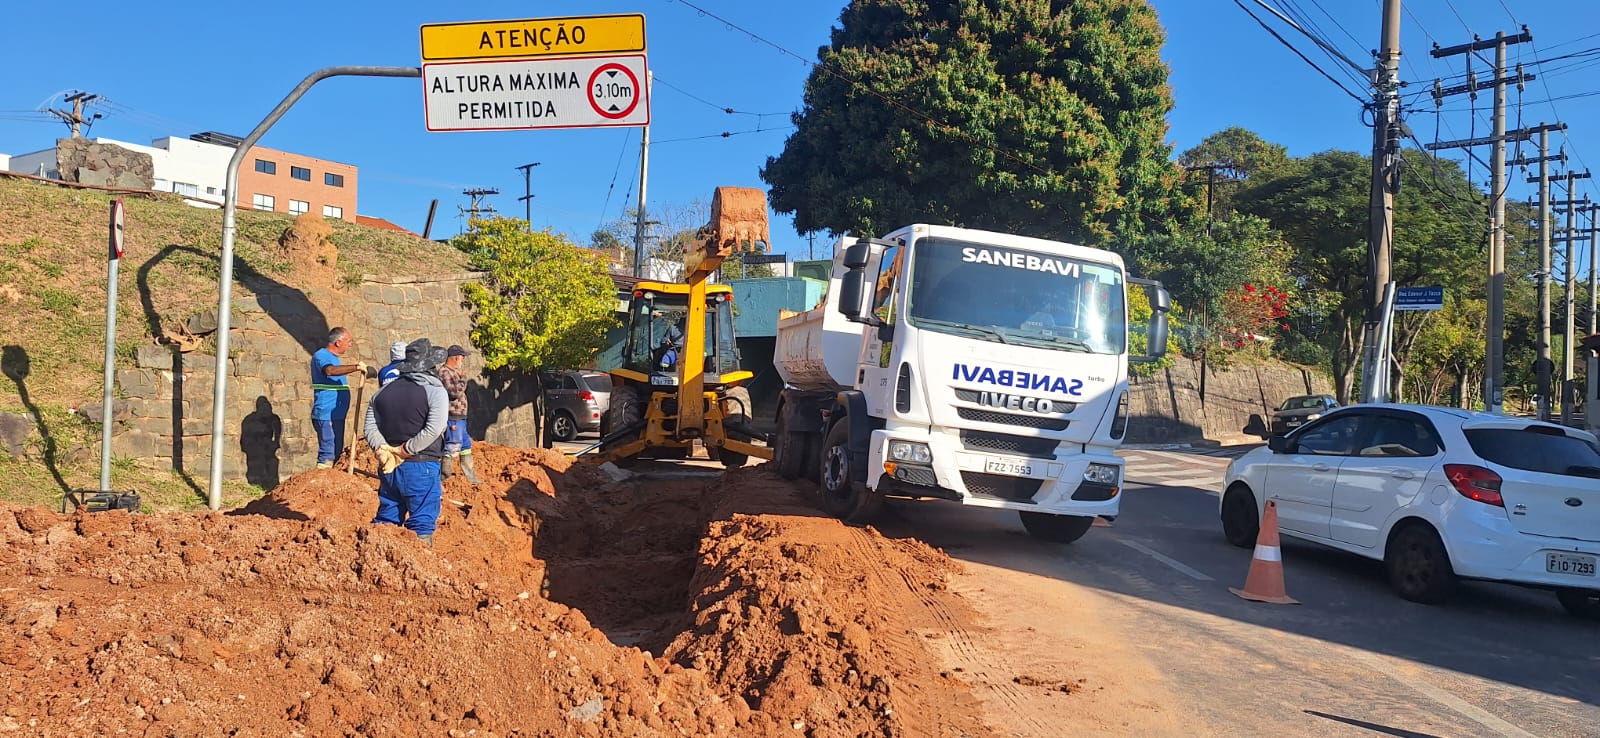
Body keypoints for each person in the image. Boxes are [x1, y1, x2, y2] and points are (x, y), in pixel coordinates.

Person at [364, 338, 449, 545]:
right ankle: (419, 572)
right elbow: (434, 429)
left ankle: (379, 565)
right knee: (422, 525)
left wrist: (383, 450)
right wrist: (405, 450)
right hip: (421, 465)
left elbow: (369, 426)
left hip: (389, 467)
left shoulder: (382, 393)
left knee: (386, 522)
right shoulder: (435, 391)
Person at [310, 327, 367, 469]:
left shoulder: (335, 359)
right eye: (348, 341)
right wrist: (356, 367)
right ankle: (320, 483)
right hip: (326, 413)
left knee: (336, 452)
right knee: (327, 453)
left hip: (337, 415)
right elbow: (330, 371)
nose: (350, 344)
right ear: (337, 342)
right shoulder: (321, 355)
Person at [436, 344, 481, 484]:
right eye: (462, 358)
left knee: (465, 446)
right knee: (452, 446)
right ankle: (442, 477)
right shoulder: (444, 372)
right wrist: (463, 379)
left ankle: (471, 478)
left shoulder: (452, 372)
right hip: (453, 417)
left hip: (460, 417)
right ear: (455, 358)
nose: (462, 361)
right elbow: (454, 392)